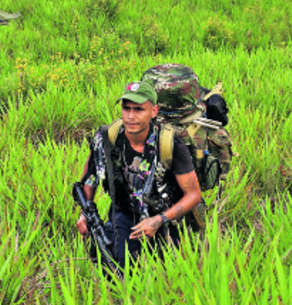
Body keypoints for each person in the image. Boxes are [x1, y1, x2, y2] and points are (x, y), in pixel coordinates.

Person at [76, 81, 202, 269]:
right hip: (125, 213)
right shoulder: (106, 137)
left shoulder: (169, 143)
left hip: (165, 218)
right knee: (117, 269)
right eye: (126, 109)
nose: (131, 116)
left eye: (138, 109)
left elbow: (193, 194)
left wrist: (158, 220)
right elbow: (91, 177)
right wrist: (85, 213)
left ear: (153, 111)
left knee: (173, 274)